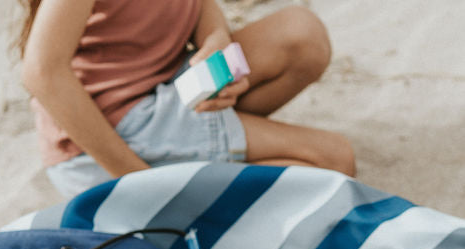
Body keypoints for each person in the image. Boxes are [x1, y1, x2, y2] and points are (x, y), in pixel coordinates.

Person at [18, 0, 356, 198]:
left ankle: (203, 167)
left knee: (301, 33)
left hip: (169, 83)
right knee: (332, 165)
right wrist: (139, 180)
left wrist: (216, 38)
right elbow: (42, 72)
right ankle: (180, 194)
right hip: (108, 131)